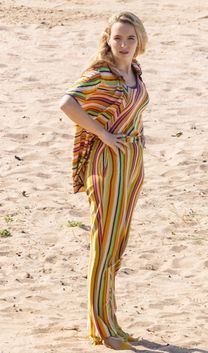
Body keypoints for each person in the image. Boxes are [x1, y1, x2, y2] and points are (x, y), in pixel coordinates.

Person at [59, 11, 149, 350]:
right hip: (107, 164)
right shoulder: (101, 73)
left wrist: (139, 135)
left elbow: (134, 111)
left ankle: (111, 318)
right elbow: (67, 104)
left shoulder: (134, 71)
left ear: (139, 40)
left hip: (132, 165)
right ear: (107, 40)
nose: (124, 44)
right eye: (118, 38)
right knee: (104, 241)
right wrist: (103, 134)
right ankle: (100, 326)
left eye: (130, 38)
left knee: (118, 243)